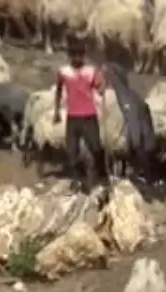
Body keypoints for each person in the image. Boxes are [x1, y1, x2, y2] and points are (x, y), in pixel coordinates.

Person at [53, 38, 104, 189]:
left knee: (95, 148)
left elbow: (99, 87)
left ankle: (95, 179)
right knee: (71, 150)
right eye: (74, 55)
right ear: (70, 56)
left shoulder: (90, 71)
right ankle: (75, 180)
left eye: (80, 55)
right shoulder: (64, 72)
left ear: (83, 56)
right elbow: (58, 90)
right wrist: (56, 111)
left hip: (89, 115)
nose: (77, 58)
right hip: (73, 116)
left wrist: (103, 84)